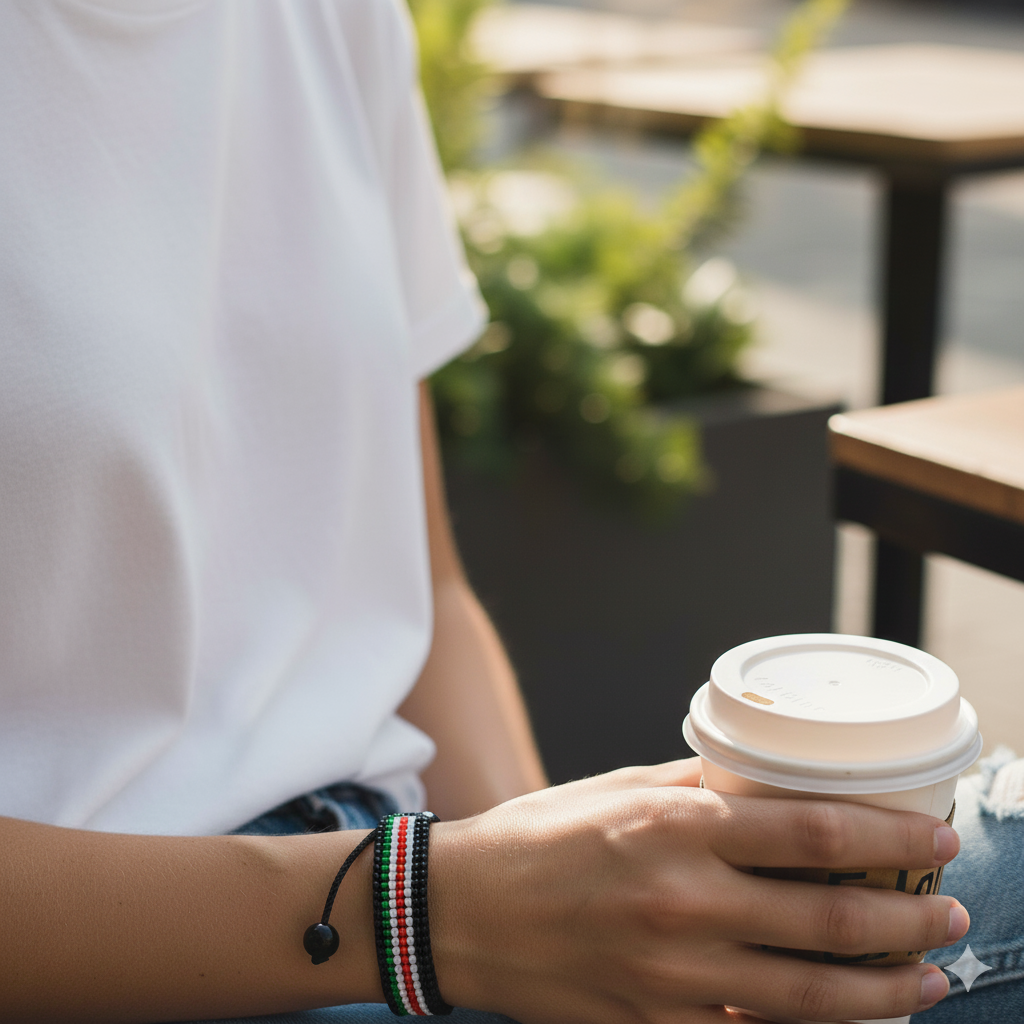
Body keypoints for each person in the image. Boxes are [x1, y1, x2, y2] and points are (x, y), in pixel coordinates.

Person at [0, 1, 1012, 1021]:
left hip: (408, 890)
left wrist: (558, 914)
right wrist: (435, 914)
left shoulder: (327, 20)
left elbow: (421, 595)